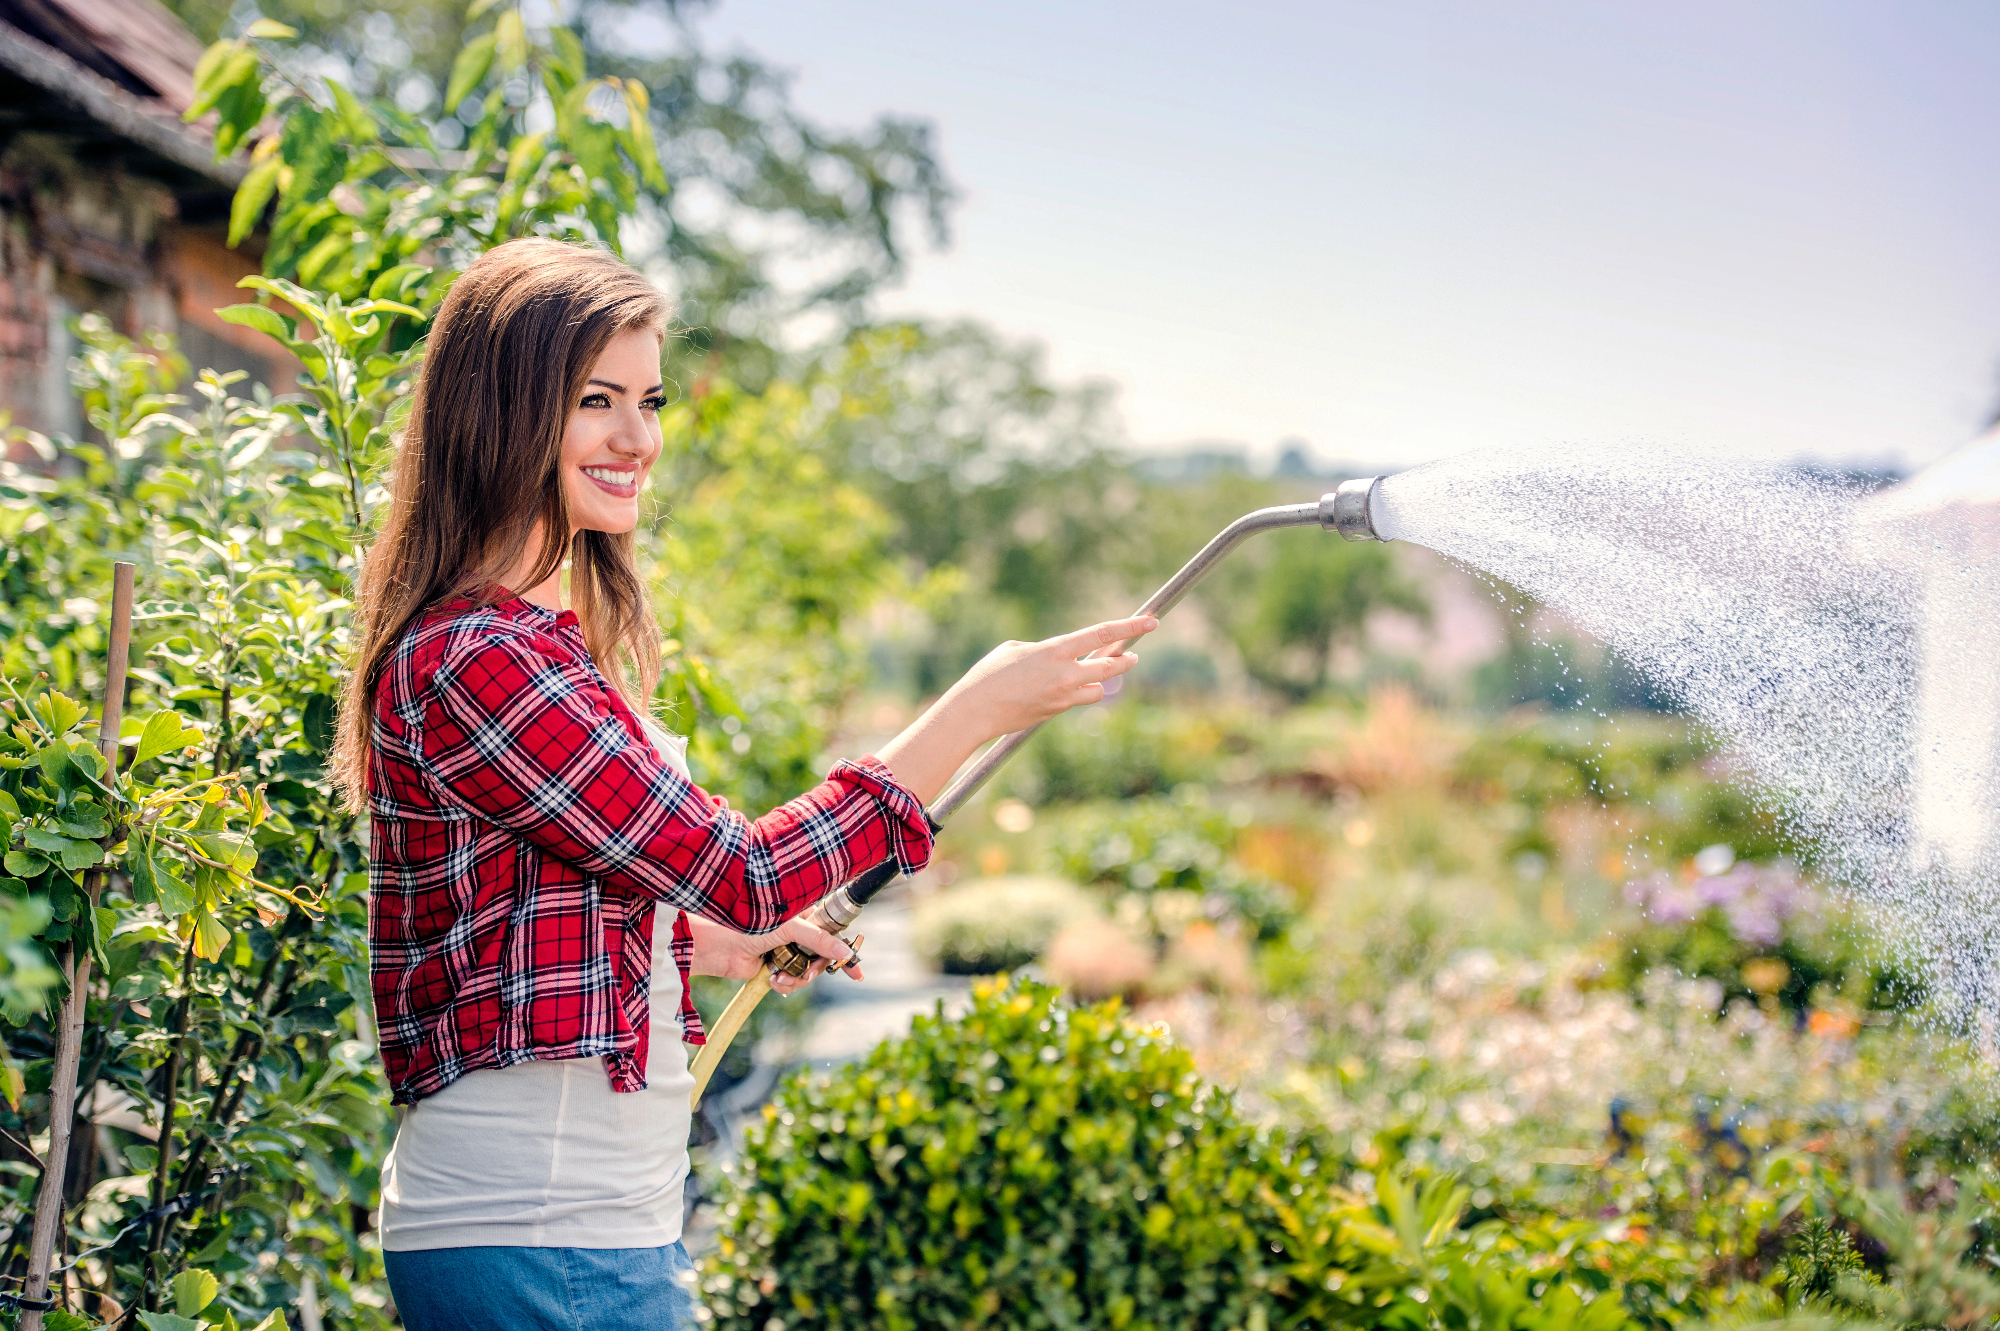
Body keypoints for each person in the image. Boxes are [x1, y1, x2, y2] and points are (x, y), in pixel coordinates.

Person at [329, 237, 1155, 1331]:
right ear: (505, 411)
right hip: (543, 1234)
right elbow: (742, 867)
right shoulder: (483, 656)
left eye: (650, 399)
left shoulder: (531, 641)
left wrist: (705, 945)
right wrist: (973, 708)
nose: (639, 438)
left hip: (582, 1230)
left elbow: (531, 914)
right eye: (595, 400)